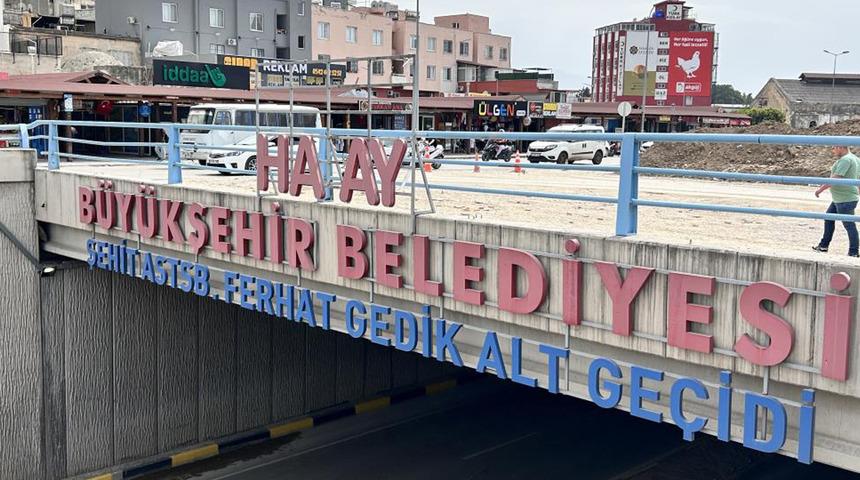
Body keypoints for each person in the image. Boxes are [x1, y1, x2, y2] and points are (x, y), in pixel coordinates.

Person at [813, 146, 860, 257]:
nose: (833, 150)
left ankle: (853, 252)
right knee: (829, 218)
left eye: (834, 148)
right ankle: (823, 245)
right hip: (841, 198)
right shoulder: (854, 158)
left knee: (849, 224)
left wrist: (820, 189)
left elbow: (835, 178)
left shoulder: (845, 160)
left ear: (840, 147)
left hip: (845, 199)